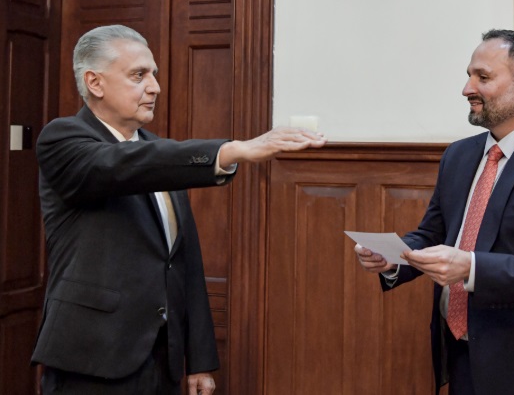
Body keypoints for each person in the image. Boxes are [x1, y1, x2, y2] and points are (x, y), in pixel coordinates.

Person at [31, 24, 327, 395]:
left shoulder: (161, 154)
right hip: (91, 360)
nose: (154, 87)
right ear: (95, 82)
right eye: (139, 75)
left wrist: (199, 360)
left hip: (162, 363)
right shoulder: (63, 139)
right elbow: (118, 164)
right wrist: (231, 150)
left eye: (154, 74)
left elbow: (183, 262)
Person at [354, 29, 514, 395]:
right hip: (463, 357)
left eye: (482, 77)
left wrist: (471, 268)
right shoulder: (458, 155)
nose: (467, 88)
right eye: (469, 75)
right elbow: (432, 234)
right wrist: (394, 259)